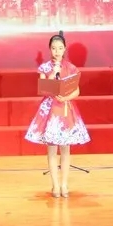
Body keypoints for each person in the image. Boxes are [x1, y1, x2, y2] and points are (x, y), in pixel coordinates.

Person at [24, 31, 90, 197]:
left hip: (65, 109)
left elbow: (77, 90)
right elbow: (43, 89)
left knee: (66, 149)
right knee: (52, 149)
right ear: (50, 49)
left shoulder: (71, 68)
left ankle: (64, 184)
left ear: (65, 49)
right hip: (50, 111)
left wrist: (67, 97)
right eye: (54, 48)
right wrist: (54, 72)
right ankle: (55, 185)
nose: (57, 51)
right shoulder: (45, 68)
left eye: (60, 48)